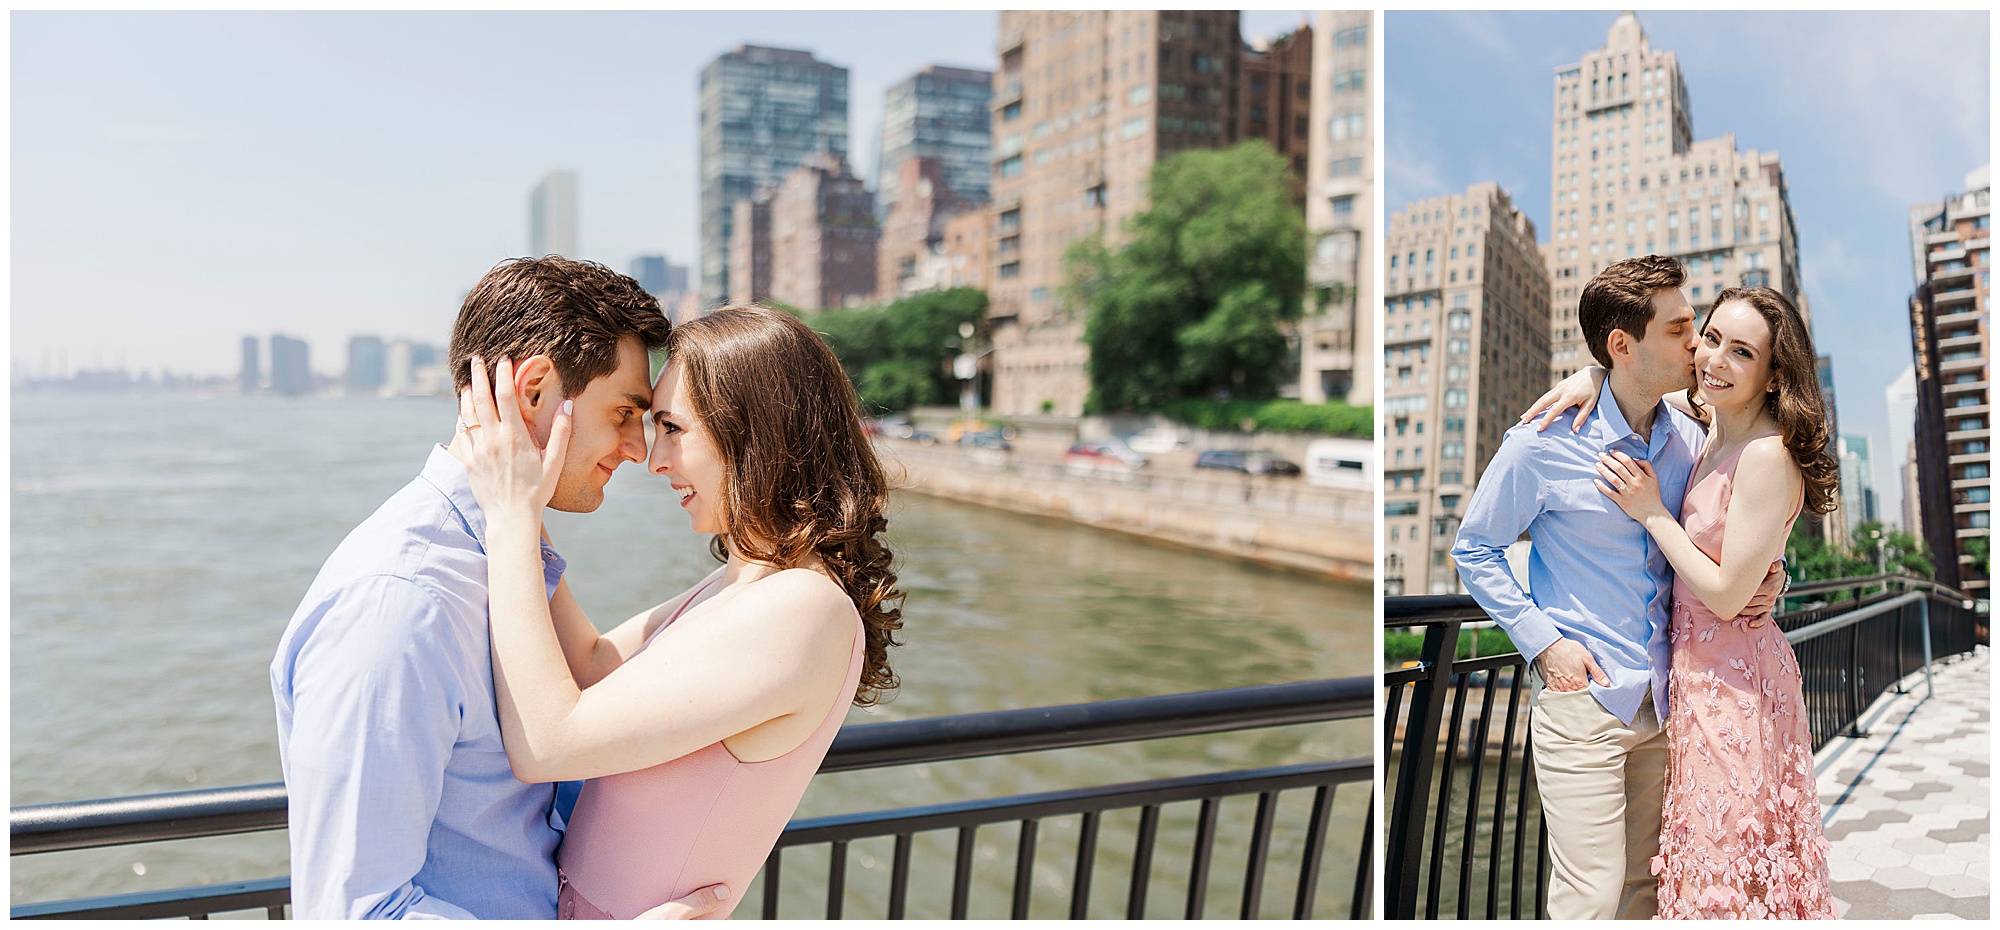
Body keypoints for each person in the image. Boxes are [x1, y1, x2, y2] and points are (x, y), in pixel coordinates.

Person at [271, 257, 724, 919]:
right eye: (626, 412)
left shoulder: (504, 555)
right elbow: (358, 914)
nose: (638, 449)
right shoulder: (401, 602)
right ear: (534, 390)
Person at [454, 305, 904, 920]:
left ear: (753, 430)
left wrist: (512, 519)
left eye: (672, 428)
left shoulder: (803, 608)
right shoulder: (747, 583)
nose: (653, 458)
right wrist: (525, 493)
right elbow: (591, 665)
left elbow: (547, 745)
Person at [1451, 255, 1774, 920]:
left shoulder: (1691, 437)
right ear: (1622, 346)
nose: (1698, 345)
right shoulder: (1539, 443)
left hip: (1667, 705)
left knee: (1643, 892)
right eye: (1682, 329)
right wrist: (1544, 646)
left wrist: (1771, 573)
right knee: (1590, 900)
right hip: (1585, 703)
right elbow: (1474, 549)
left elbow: (1727, 532)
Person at [1526, 286, 1838, 919]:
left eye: (1742, 352)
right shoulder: (1704, 431)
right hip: (1689, 683)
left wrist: (1651, 513)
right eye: (1712, 338)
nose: (1715, 359)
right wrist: (1592, 373)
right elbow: (1635, 377)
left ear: (1774, 373)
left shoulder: (1768, 454)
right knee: (1693, 863)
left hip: (1736, 686)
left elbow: (1724, 594)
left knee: (1729, 865)